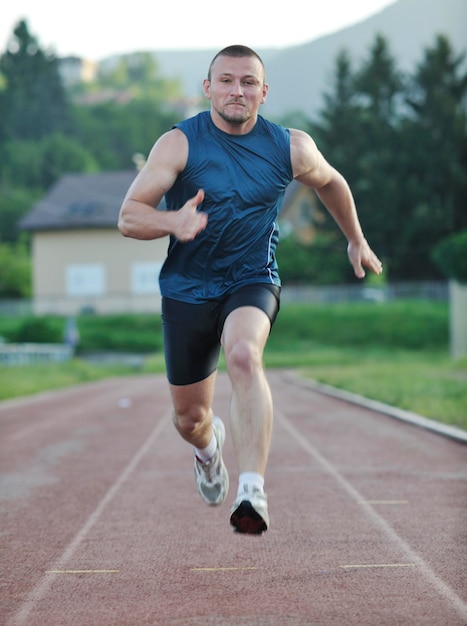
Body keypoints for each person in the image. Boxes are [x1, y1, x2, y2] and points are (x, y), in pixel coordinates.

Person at [118, 45, 383, 535]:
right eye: (226, 80)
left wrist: (356, 239)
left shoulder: (289, 147)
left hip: (251, 279)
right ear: (208, 87)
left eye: (247, 82)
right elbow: (129, 216)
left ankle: (252, 492)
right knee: (189, 419)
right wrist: (172, 220)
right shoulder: (178, 144)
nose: (236, 90)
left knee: (243, 355)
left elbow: (331, 182)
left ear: (263, 91)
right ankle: (208, 451)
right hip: (187, 289)